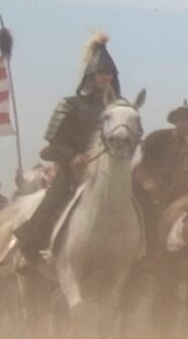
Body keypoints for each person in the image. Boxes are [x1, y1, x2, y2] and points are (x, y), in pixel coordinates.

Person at [13, 31, 125, 256]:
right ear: (91, 76)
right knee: (55, 198)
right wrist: (73, 157)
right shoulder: (70, 105)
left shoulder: (120, 109)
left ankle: (145, 256)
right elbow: (52, 145)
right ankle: (31, 246)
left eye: (109, 73)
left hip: (110, 169)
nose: (105, 77)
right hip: (74, 171)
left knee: (140, 198)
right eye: (101, 73)